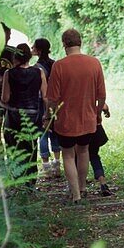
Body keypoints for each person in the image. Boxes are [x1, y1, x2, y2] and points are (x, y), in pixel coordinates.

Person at [46, 28, 106, 203]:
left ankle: (76, 195)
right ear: (80, 42)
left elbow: (52, 98)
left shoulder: (59, 66)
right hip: (88, 119)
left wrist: (49, 115)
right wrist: (97, 114)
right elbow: (101, 95)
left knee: (68, 155)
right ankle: (82, 187)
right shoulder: (94, 63)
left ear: (64, 44)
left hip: (65, 121)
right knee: (84, 151)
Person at [1, 42, 46, 186]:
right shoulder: (39, 72)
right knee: (31, 148)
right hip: (33, 115)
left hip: (14, 115)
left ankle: (17, 180)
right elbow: (45, 95)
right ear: (28, 57)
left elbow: (5, 98)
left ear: (16, 57)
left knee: (13, 148)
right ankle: (31, 182)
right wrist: (47, 115)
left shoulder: (9, 73)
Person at [32, 37, 61, 175]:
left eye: (33, 47)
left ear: (38, 50)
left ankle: (46, 167)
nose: (32, 49)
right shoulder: (55, 64)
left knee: (42, 133)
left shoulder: (36, 68)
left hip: (41, 102)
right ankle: (57, 164)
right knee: (55, 131)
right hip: (56, 101)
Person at [89, 101, 114, 197]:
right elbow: (103, 105)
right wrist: (105, 111)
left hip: (78, 127)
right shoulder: (92, 86)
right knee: (94, 156)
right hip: (95, 127)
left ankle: (78, 188)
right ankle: (103, 182)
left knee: (75, 157)